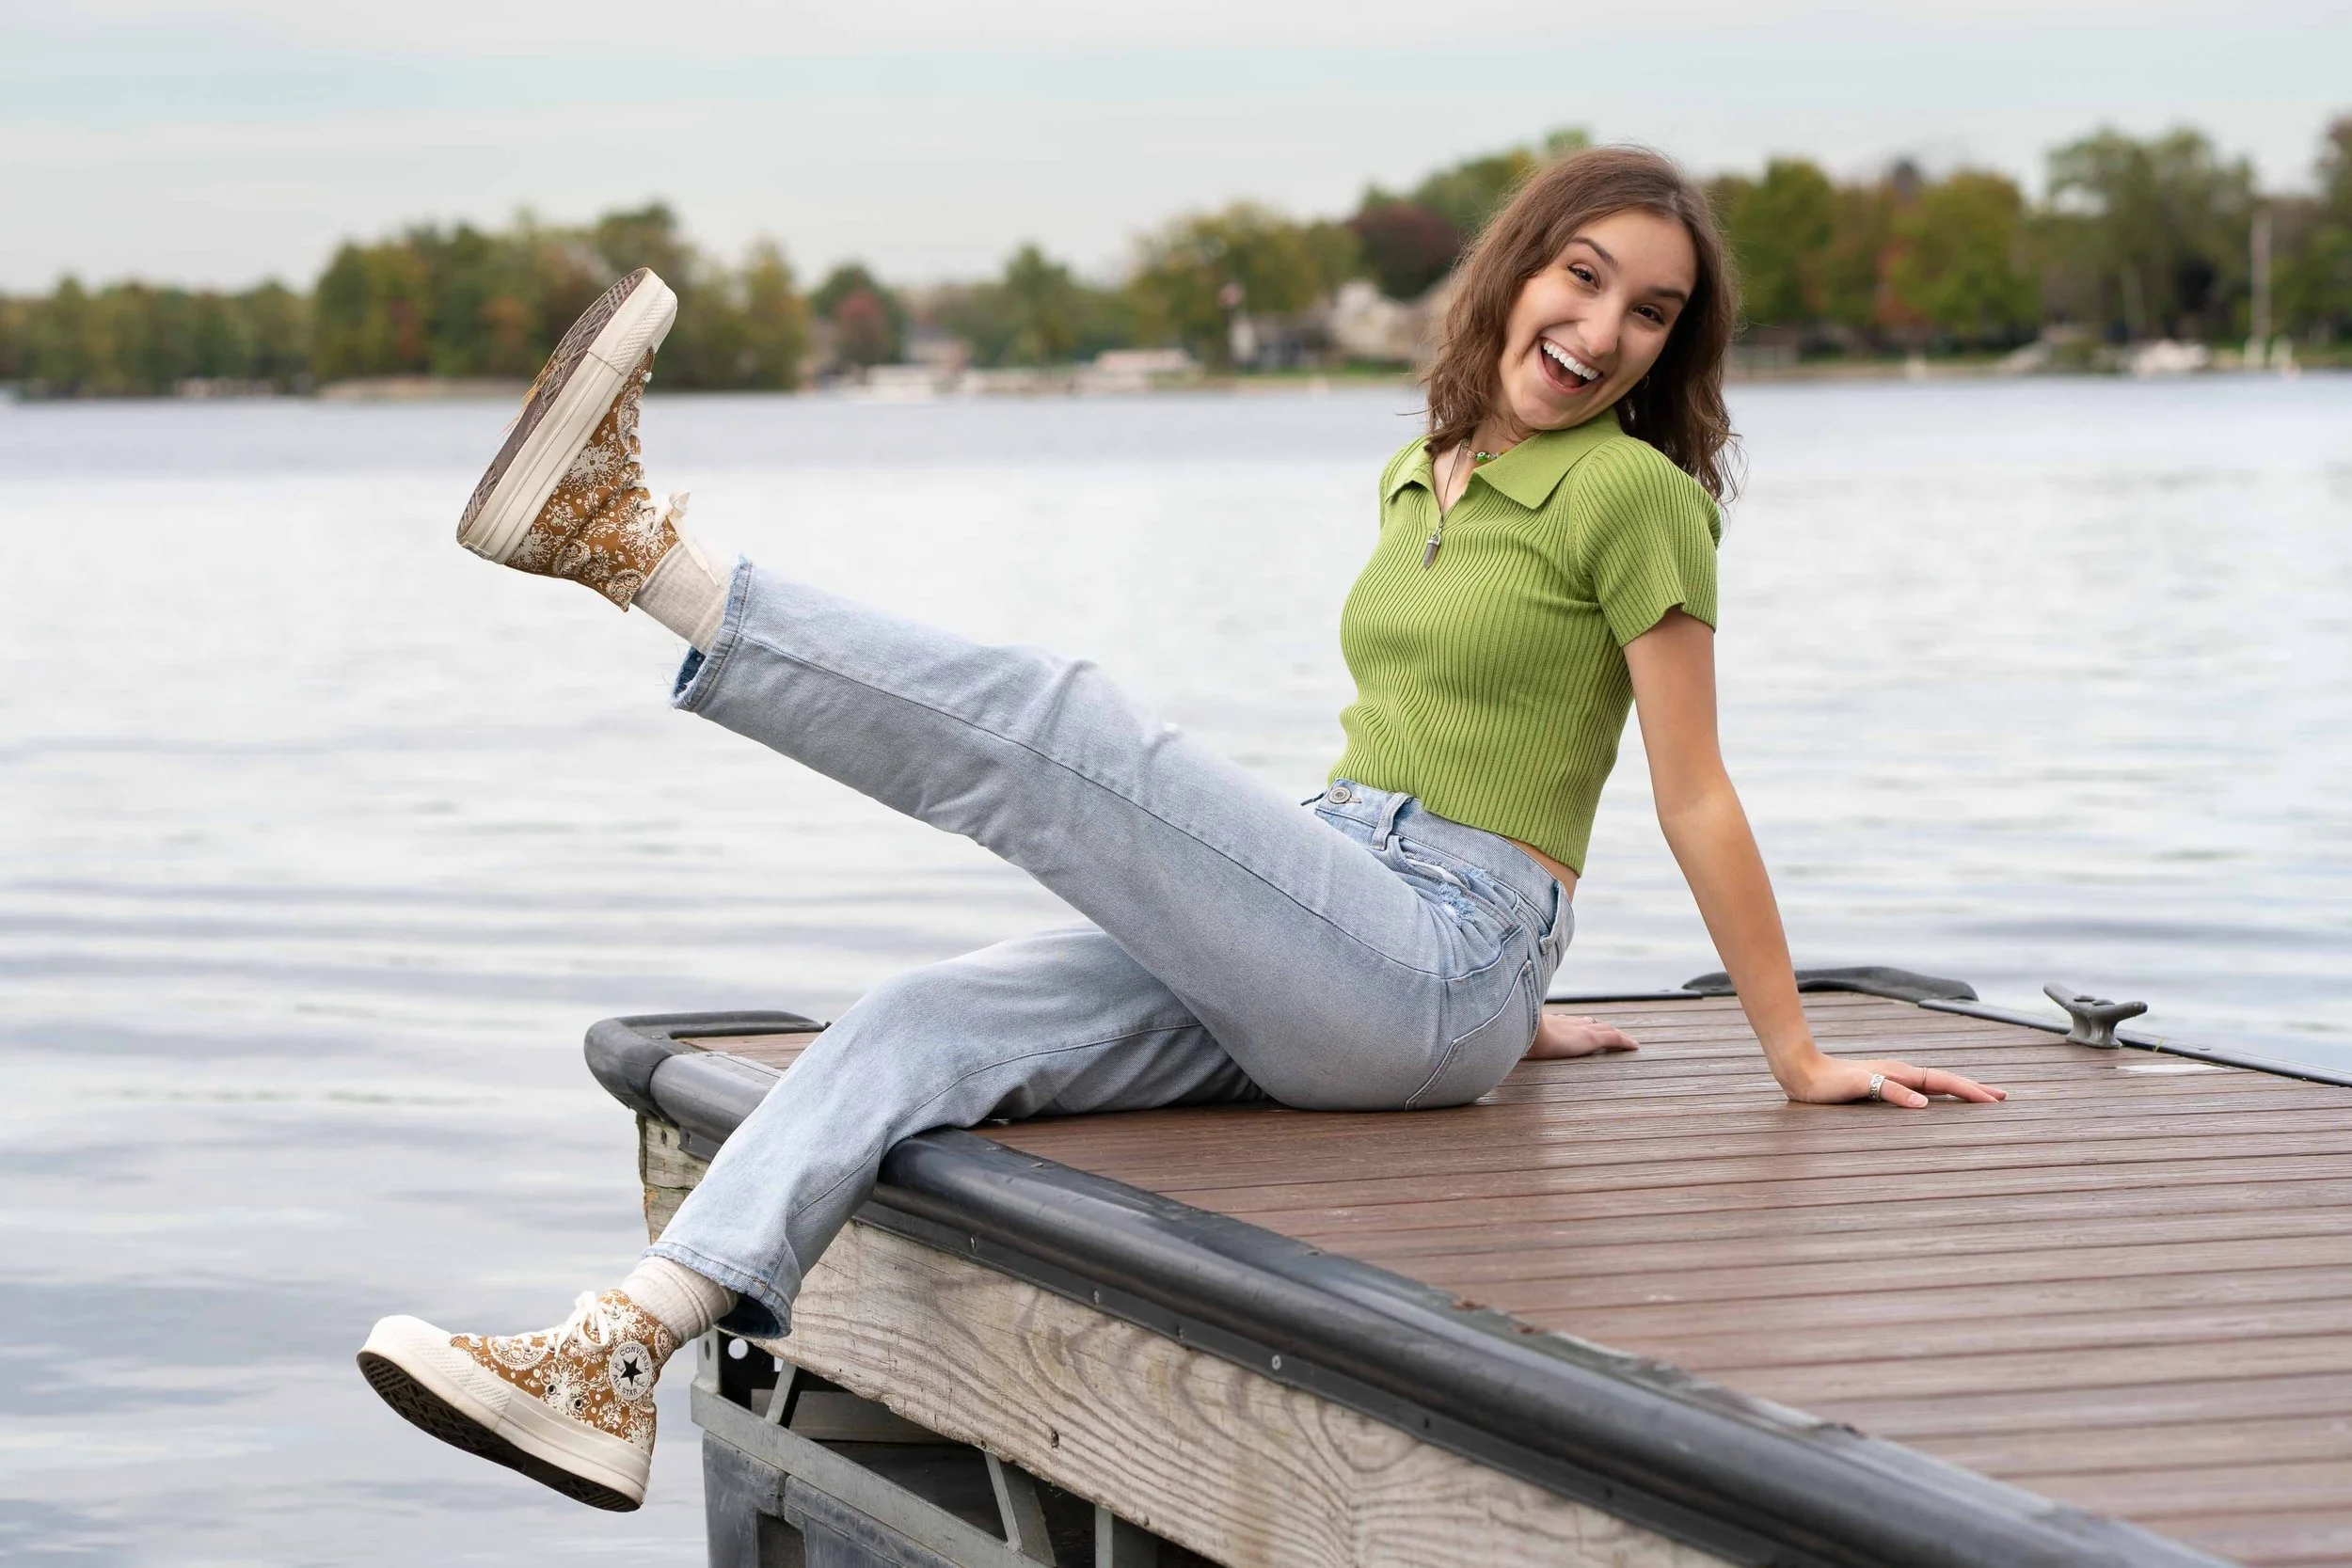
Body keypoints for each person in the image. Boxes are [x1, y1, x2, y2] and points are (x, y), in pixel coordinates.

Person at [357, 146, 2004, 1512]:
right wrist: (1502, 1007)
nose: (1604, 328)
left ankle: (635, 551)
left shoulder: (1639, 498)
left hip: (1436, 954)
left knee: (1066, 729)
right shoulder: (1422, 469)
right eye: (1582, 277)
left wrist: (1777, 1050)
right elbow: (1443, 739)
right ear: (1515, 270)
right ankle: (618, 1355)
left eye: (1651, 313)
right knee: (929, 1014)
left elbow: (1691, 785)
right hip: (1367, 923)